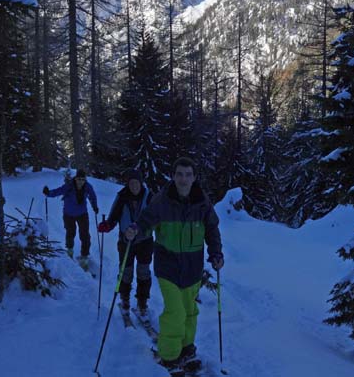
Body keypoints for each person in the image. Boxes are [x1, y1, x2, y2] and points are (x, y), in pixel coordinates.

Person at [125, 157, 224, 371]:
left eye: (188, 174)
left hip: (192, 268)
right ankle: (169, 356)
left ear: (194, 177)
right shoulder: (162, 201)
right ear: (173, 176)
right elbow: (145, 221)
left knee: (189, 311)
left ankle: (187, 348)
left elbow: (212, 229)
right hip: (167, 267)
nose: (183, 179)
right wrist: (136, 229)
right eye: (179, 174)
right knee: (175, 312)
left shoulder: (202, 202)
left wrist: (216, 253)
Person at [97, 169, 154, 312]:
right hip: (125, 241)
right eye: (131, 183)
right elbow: (114, 217)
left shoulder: (149, 197)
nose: (134, 186)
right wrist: (107, 225)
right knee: (125, 272)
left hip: (145, 241)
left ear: (141, 183)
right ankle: (125, 299)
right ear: (128, 184)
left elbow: (155, 218)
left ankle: (142, 302)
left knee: (143, 272)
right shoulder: (122, 197)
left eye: (137, 183)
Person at [43, 169, 98, 269]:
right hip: (68, 214)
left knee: (85, 235)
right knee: (70, 232)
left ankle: (84, 257)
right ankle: (69, 251)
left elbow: (92, 197)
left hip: (82, 214)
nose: (80, 181)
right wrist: (48, 193)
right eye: (79, 179)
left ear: (85, 179)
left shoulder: (87, 186)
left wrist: (95, 206)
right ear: (75, 178)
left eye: (83, 179)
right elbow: (58, 191)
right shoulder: (69, 186)